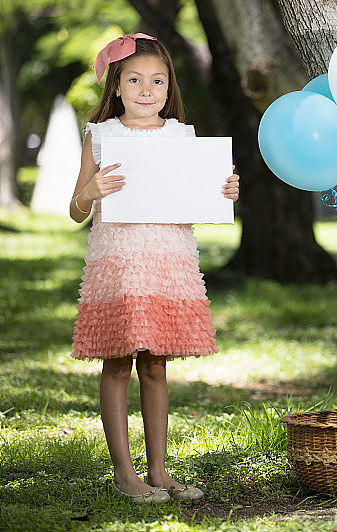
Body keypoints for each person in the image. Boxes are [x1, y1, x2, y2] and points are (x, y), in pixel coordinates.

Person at [69, 33, 239, 504]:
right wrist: (91, 192)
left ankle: (159, 471)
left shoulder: (181, 135)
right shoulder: (100, 136)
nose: (147, 90)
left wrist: (222, 192)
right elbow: (75, 208)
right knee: (118, 360)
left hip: (168, 259)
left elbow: (198, 190)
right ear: (117, 86)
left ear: (170, 86)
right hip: (119, 260)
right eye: (136, 80)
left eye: (158, 81)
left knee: (157, 364)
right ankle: (125, 472)